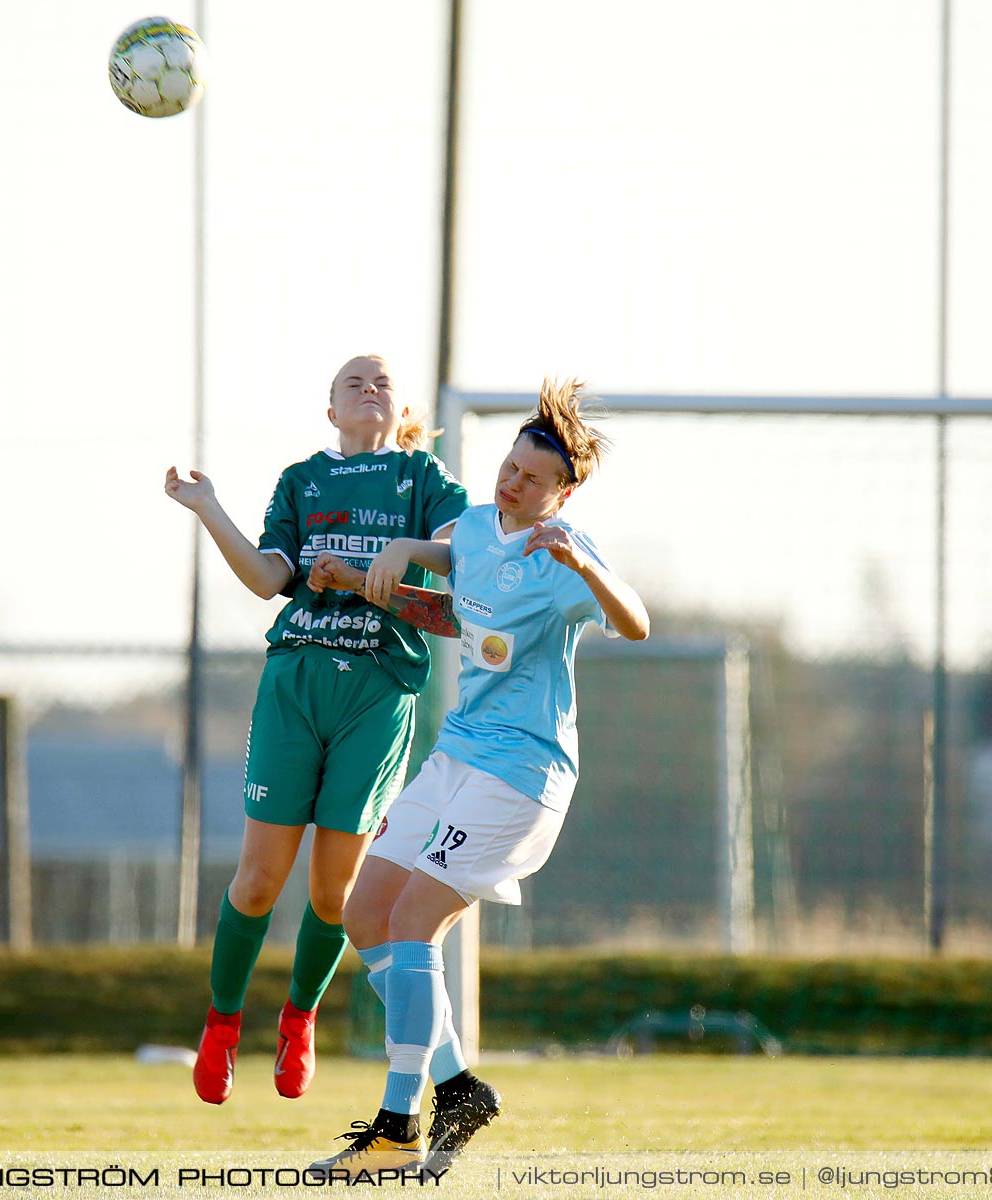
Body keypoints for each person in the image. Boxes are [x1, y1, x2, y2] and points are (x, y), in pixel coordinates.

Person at [300, 378, 651, 1180]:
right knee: (364, 913)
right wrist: (364, 575)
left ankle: (397, 1129)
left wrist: (584, 567)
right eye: (510, 466)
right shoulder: (474, 529)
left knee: (414, 923)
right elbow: (454, 613)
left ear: (560, 494)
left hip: (520, 775)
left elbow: (636, 622)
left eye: (532, 479)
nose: (512, 482)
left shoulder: (563, 555)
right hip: (458, 755)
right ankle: (457, 1088)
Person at [163, 354, 467, 1104]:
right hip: (297, 683)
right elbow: (270, 578)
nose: (369, 388)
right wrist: (208, 508)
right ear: (330, 410)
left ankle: (299, 1020)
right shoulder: (302, 480)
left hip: (379, 694)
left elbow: (460, 584)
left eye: (382, 381)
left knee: (334, 895)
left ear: (400, 410)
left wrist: (384, 574)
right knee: (260, 880)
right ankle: (223, 1025)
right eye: (352, 383)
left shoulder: (424, 480)